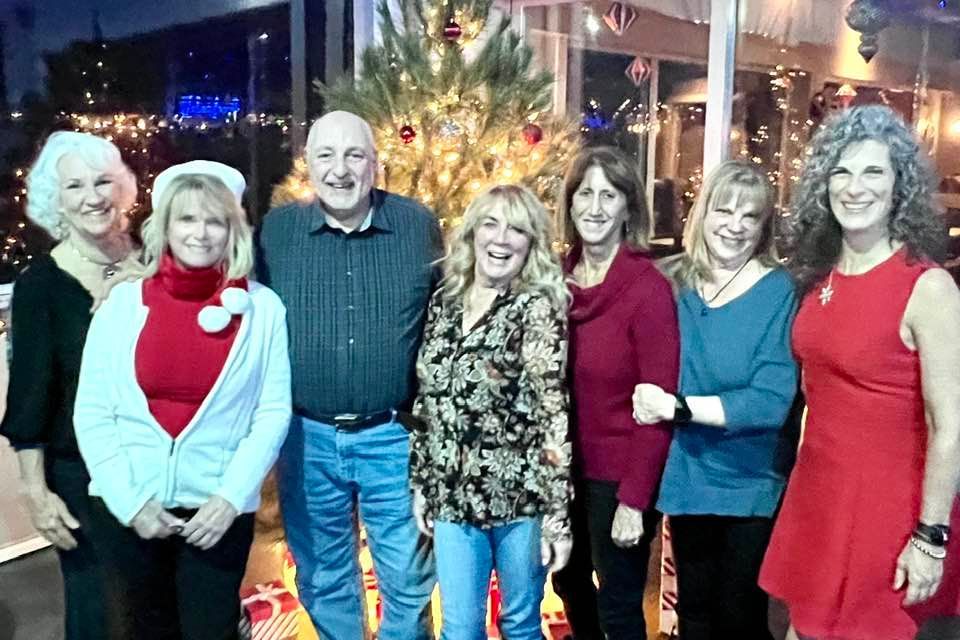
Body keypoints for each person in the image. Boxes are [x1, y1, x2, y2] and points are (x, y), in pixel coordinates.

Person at [759, 105, 960, 640]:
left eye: (874, 172)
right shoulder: (820, 277)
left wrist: (930, 538)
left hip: (886, 513)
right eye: (841, 172)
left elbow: (951, 427)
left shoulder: (928, 287)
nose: (855, 187)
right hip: (818, 497)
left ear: (900, 186)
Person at [73, 160, 292, 640]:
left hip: (217, 518)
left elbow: (271, 413)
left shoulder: (261, 310)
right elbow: (92, 414)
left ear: (233, 230)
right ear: (165, 226)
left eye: (215, 220)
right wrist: (131, 503)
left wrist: (230, 499)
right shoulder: (122, 307)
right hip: (129, 513)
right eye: (187, 219)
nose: (201, 233)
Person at [258, 110, 440, 640]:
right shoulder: (277, 232)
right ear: (308, 166)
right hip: (306, 438)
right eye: (326, 156)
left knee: (408, 576)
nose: (340, 170)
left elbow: (449, 310)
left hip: (392, 435)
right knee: (323, 575)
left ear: (376, 164)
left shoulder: (416, 225)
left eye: (354, 155)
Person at [632, 161, 798, 639]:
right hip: (688, 474)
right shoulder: (672, 282)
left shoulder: (777, 291)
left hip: (749, 481)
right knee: (695, 615)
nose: (735, 225)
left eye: (750, 217)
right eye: (724, 211)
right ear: (702, 214)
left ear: (764, 226)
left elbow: (768, 403)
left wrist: (678, 408)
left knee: (738, 617)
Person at [409, 184, 571, 639]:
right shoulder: (444, 300)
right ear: (473, 233)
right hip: (452, 499)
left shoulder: (535, 308)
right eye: (491, 224)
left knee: (520, 625)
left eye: (517, 229)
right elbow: (428, 398)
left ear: (532, 243)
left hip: (519, 497)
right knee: (460, 628)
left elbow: (552, 416)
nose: (501, 239)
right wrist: (422, 481)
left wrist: (557, 519)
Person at [0, 131, 138, 640]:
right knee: (98, 609)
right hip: (79, 473)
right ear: (55, 202)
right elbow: (30, 398)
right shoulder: (41, 286)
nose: (93, 197)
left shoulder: (150, 261)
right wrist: (35, 490)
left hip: (154, 460)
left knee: (157, 603)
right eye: (75, 186)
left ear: (122, 188)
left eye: (103, 181)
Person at [551, 146, 680, 640]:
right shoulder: (553, 281)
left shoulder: (647, 289)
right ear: (570, 202)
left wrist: (633, 500)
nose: (596, 207)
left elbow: (656, 406)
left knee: (620, 606)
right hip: (560, 472)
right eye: (585, 193)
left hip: (617, 478)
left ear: (629, 207)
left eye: (610, 195)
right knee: (568, 587)